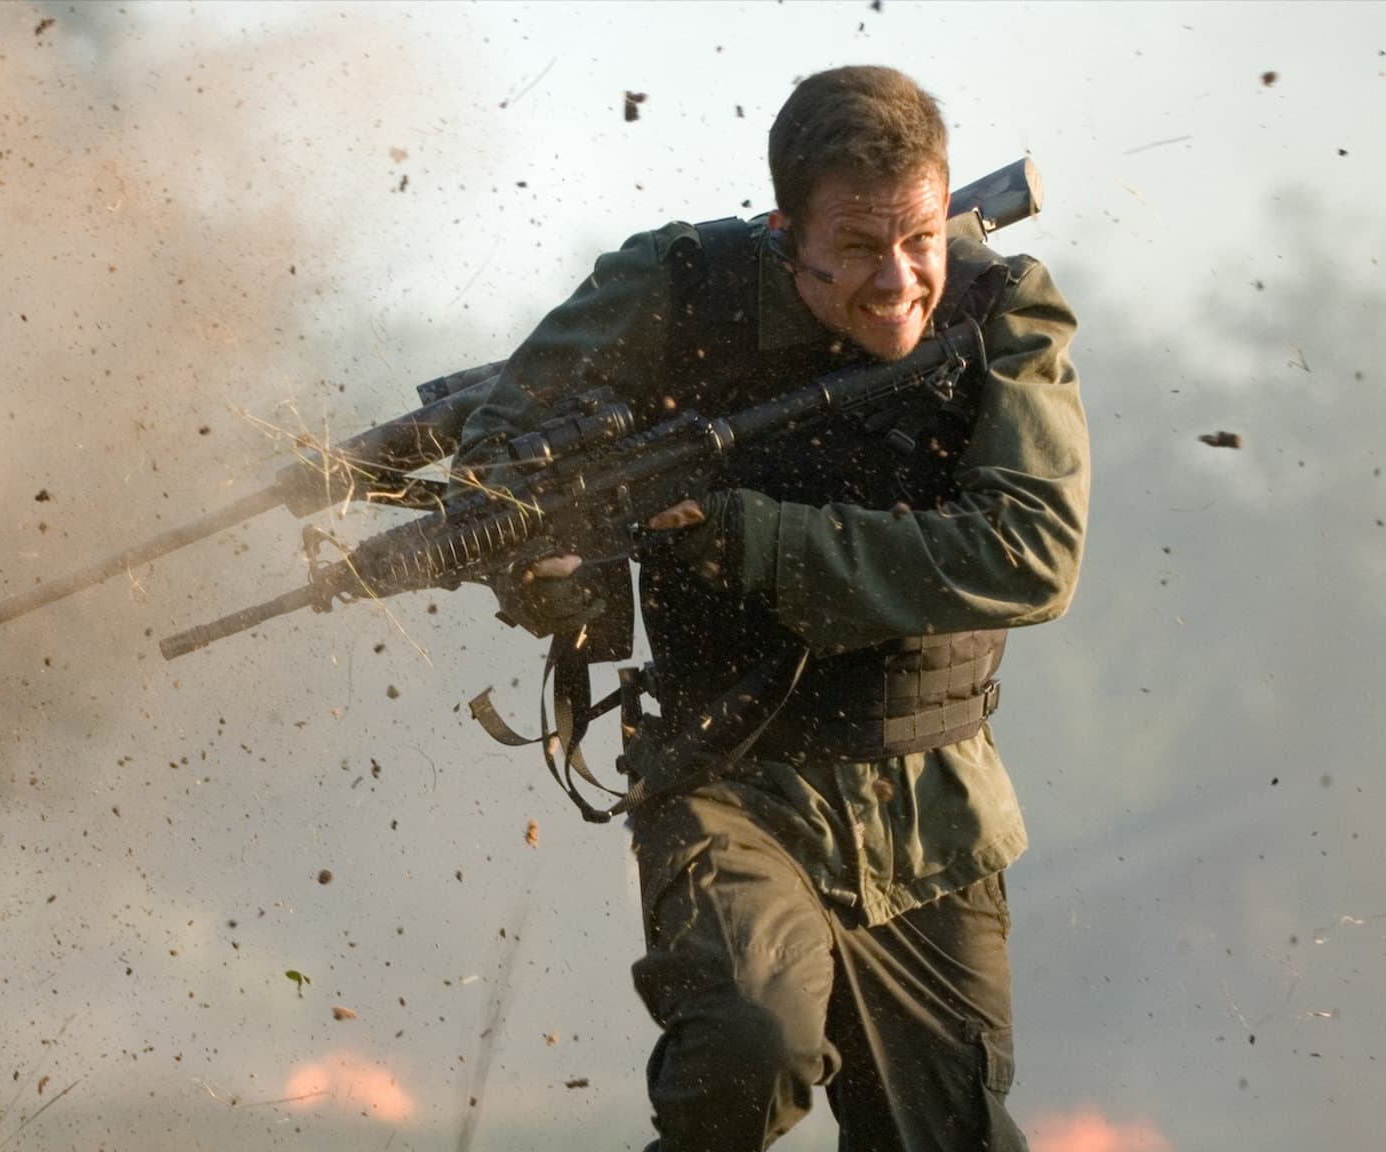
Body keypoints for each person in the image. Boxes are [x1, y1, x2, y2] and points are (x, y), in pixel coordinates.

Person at [453, 66, 1088, 1151]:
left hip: (929, 807)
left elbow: (1030, 554)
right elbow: (499, 467)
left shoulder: (1002, 313)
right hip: (722, 772)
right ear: (784, 229)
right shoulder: (676, 288)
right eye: (857, 249)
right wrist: (558, 570)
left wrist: (751, 538)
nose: (897, 281)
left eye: (919, 240)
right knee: (747, 1048)